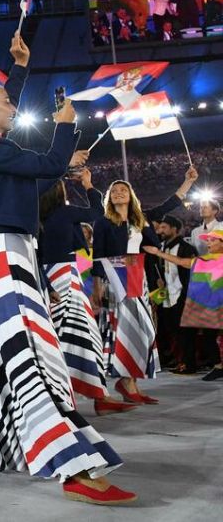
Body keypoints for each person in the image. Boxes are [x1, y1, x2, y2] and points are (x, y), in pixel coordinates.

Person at [0, 37, 134, 505]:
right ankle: (76, 468)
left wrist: (18, 68)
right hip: (5, 256)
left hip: (6, 254)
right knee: (37, 359)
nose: (12, 105)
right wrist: (67, 127)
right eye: (4, 101)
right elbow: (48, 163)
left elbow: (28, 146)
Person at [91, 168, 197, 405]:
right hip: (114, 280)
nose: (118, 193)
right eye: (114, 191)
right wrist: (97, 285)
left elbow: (172, 202)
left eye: (123, 190)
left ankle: (130, 383)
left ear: (131, 196)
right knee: (124, 332)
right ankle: (126, 383)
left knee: (144, 331)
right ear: (110, 198)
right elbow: (97, 255)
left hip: (139, 279)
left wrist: (188, 181)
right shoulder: (103, 222)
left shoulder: (143, 218)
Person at [38, 168, 135, 415]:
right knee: (84, 337)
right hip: (66, 279)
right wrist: (89, 185)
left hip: (49, 279)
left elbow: (35, 257)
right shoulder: (65, 212)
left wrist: (47, 286)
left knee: (60, 338)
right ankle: (94, 396)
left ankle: (85, 394)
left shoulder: (34, 217)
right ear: (58, 192)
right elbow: (96, 211)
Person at [143, 230, 223, 381]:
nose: (208, 243)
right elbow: (181, 262)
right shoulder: (202, 260)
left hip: (216, 305)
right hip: (208, 308)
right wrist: (157, 253)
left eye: (213, 240)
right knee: (208, 338)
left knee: (209, 337)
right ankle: (219, 367)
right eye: (208, 240)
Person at [155, 216, 198, 374]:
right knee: (172, 331)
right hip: (167, 297)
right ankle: (179, 360)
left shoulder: (187, 247)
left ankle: (189, 363)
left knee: (185, 332)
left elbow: (193, 273)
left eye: (164, 227)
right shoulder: (161, 247)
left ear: (175, 229)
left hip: (182, 295)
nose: (161, 230)